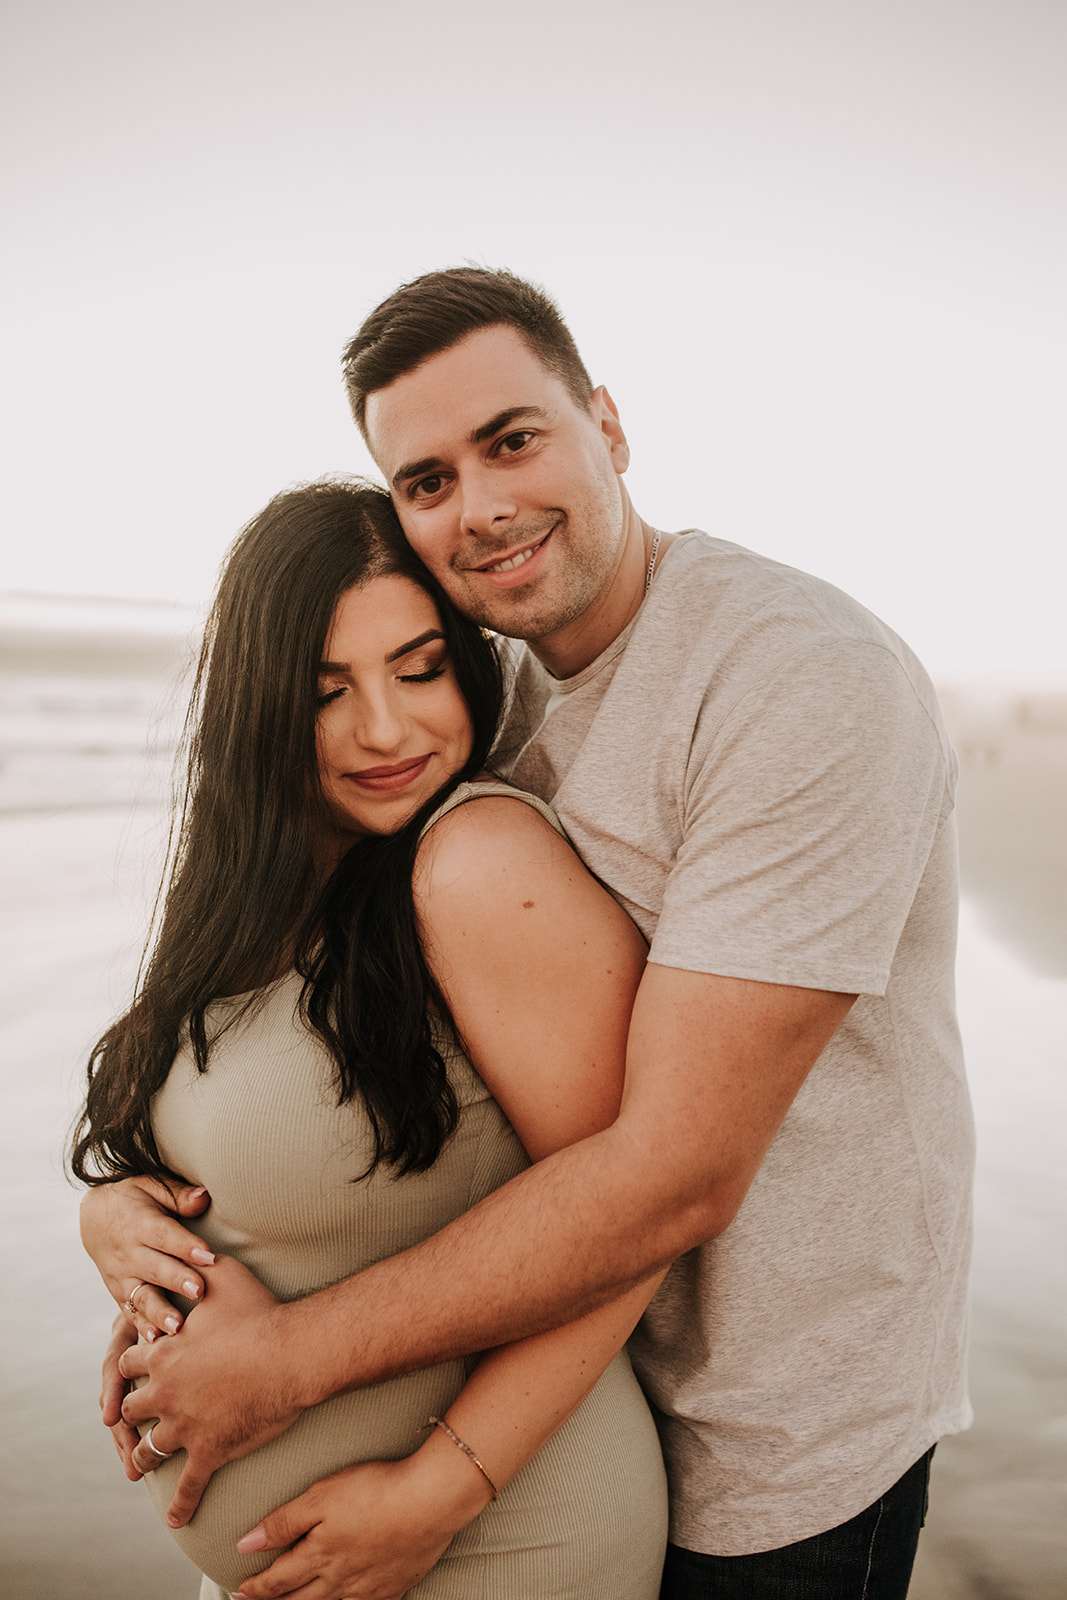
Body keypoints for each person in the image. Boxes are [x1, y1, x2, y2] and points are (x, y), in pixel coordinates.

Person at [85, 268, 974, 1600]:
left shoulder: (790, 679)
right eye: (427, 479)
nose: (481, 506)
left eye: (511, 440)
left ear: (606, 426)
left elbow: (667, 1179)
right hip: (581, 1385)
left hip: (776, 1435)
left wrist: (308, 1383)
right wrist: (130, 1220)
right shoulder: (488, 704)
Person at [71, 477, 669, 1600]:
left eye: (419, 667)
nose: (385, 729)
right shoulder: (262, 892)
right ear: (257, 704)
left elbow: (630, 1222)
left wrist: (434, 1494)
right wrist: (124, 1230)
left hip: (491, 1542)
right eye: (326, 689)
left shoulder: (478, 863)